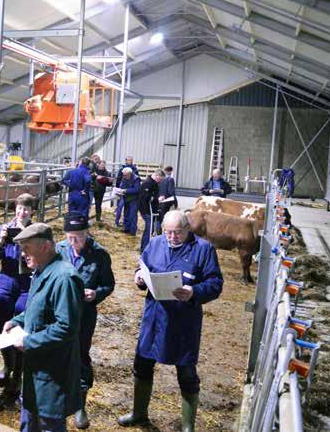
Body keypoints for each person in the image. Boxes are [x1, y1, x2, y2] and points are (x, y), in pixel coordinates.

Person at [118, 211, 223, 432]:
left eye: (177, 232)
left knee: (186, 372)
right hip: (154, 317)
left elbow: (215, 283)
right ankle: (139, 413)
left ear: (188, 228)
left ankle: (187, 426)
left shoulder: (203, 249)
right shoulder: (155, 244)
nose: (172, 237)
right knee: (142, 364)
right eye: (168, 232)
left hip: (183, 321)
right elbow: (142, 267)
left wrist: (194, 291)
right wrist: (139, 277)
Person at [3, 223, 84, 432]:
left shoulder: (64, 278)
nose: (23, 254)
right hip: (36, 369)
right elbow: (37, 308)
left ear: (46, 246)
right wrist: (17, 321)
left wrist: (29, 341)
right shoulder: (42, 271)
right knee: (29, 421)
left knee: (49, 424)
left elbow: (66, 327)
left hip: (53, 372)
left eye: (27, 248)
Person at [56, 212, 115, 429]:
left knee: (80, 355)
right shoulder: (58, 250)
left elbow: (109, 284)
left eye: (78, 237)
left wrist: (96, 294)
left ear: (86, 232)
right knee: (57, 354)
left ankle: (80, 405)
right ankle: (60, 402)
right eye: (70, 237)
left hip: (84, 314)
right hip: (59, 313)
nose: (73, 242)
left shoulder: (100, 255)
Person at [0, 193, 35, 394]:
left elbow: (46, 258)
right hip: (6, 281)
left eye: (26, 209)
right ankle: (7, 363)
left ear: (32, 211)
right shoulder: (2, 229)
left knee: (21, 324)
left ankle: (19, 372)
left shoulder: (37, 231)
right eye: (19, 208)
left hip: (26, 284)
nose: (22, 212)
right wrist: (1, 242)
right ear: (15, 209)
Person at [138, 170, 164, 252]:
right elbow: (145, 198)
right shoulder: (147, 183)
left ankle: (149, 246)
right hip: (147, 210)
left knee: (153, 228)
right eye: (160, 179)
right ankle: (144, 248)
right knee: (149, 229)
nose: (161, 181)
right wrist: (157, 199)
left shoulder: (154, 184)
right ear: (157, 176)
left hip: (153, 210)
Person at [115, 167, 141, 235]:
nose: (124, 176)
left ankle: (132, 231)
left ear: (129, 173)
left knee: (132, 215)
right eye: (123, 175)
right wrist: (119, 191)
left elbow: (136, 189)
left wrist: (126, 191)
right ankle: (126, 229)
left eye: (125, 175)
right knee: (126, 214)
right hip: (126, 198)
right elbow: (122, 186)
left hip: (134, 199)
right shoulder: (124, 178)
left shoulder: (136, 179)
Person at [114, 156, 138, 227]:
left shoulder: (134, 169)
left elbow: (136, 183)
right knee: (120, 207)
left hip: (130, 193)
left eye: (131, 160)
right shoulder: (122, 169)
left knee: (128, 210)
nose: (130, 161)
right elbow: (119, 179)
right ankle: (116, 221)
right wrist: (118, 189)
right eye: (128, 160)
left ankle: (125, 224)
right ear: (126, 161)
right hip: (123, 191)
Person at [157, 166, 178, 234]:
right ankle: (163, 233)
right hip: (167, 202)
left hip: (159, 201)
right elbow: (171, 192)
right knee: (165, 219)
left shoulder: (160, 178)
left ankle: (158, 232)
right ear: (171, 171)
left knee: (159, 218)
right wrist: (175, 203)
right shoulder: (170, 179)